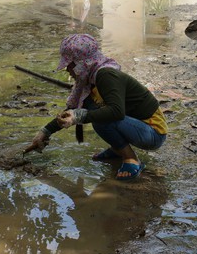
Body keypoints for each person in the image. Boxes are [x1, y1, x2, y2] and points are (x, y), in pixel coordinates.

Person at [27, 34, 167, 181]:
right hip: (134, 125)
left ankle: (131, 159)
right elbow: (71, 112)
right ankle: (118, 149)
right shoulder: (88, 82)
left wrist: (79, 117)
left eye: (69, 65)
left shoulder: (106, 75)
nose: (67, 70)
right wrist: (45, 132)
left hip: (152, 133)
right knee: (95, 112)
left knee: (100, 118)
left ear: (81, 63)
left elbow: (116, 112)